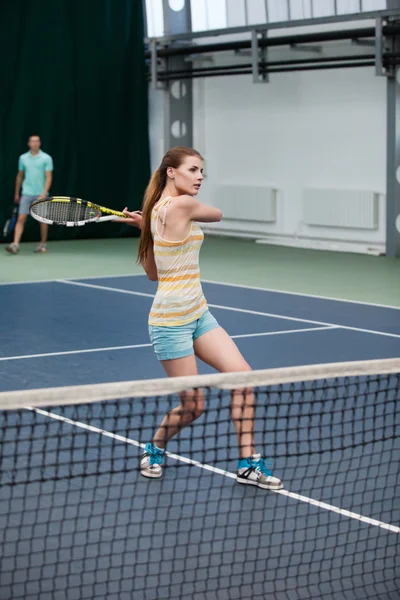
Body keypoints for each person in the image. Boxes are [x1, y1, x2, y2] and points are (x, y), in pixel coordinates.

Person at [121, 146, 283, 490]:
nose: (199, 178)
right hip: (169, 321)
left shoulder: (157, 213)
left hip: (199, 313)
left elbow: (153, 272)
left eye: (201, 172)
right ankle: (155, 447)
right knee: (194, 406)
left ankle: (248, 463)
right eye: (193, 170)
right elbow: (218, 214)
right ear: (171, 172)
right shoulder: (182, 205)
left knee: (242, 377)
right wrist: (149, 226)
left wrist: (147, 227)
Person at [6, 134, 53, 254]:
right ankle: (15, 244)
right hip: (26, 193)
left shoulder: (46, 158)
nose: (35, 143)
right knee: (21, 218)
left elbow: (48, 177)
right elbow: (20, 176)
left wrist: (43, 193)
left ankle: (43, 244)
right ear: (29, 143)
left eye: (37, 141)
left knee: (42, 220)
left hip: (41, 194)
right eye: (33, 141)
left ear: (40, 143)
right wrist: (17, 193)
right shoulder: (23, 158)